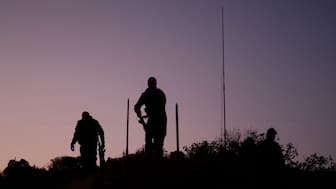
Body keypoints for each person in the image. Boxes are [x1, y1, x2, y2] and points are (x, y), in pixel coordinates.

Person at [134, 77, 167, 158]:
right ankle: (156, 161)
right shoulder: (161, 93)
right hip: (161, 120)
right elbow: (137, 107)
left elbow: (137, 107)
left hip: (157, 121)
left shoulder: (147, 94)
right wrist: (142, 114)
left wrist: (140, 114)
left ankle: (150, 163)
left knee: (151, 144)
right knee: (158, 145)